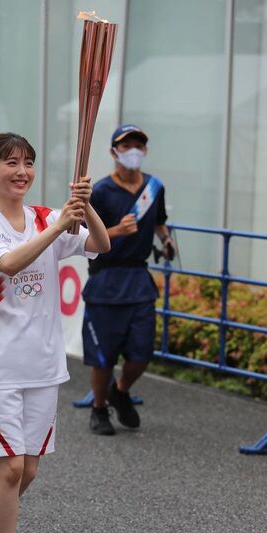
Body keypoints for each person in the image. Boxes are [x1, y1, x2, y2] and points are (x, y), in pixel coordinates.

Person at [0, 132, 109, 533]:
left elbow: (101, 245)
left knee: (28, 471)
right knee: (9, 468)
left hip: (42, 364)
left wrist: (85, 207)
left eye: (28, 162)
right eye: (11, 163)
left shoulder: (47, 217)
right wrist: (59, 224)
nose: (22, 171)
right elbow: (9, 263)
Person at [82, 124, 176, 436]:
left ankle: (120, 391)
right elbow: (84, 239)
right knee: (103, 356)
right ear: (114, 152)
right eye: (126, 146)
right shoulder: (100, 192)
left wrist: (166, 240)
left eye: (138, 145)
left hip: (138, 279)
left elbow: (159, 222)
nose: (133, 151)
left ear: (145, 151)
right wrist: (117, 231)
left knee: (142, 353)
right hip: (106, 278)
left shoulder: (154, 188)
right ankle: (99, 408)